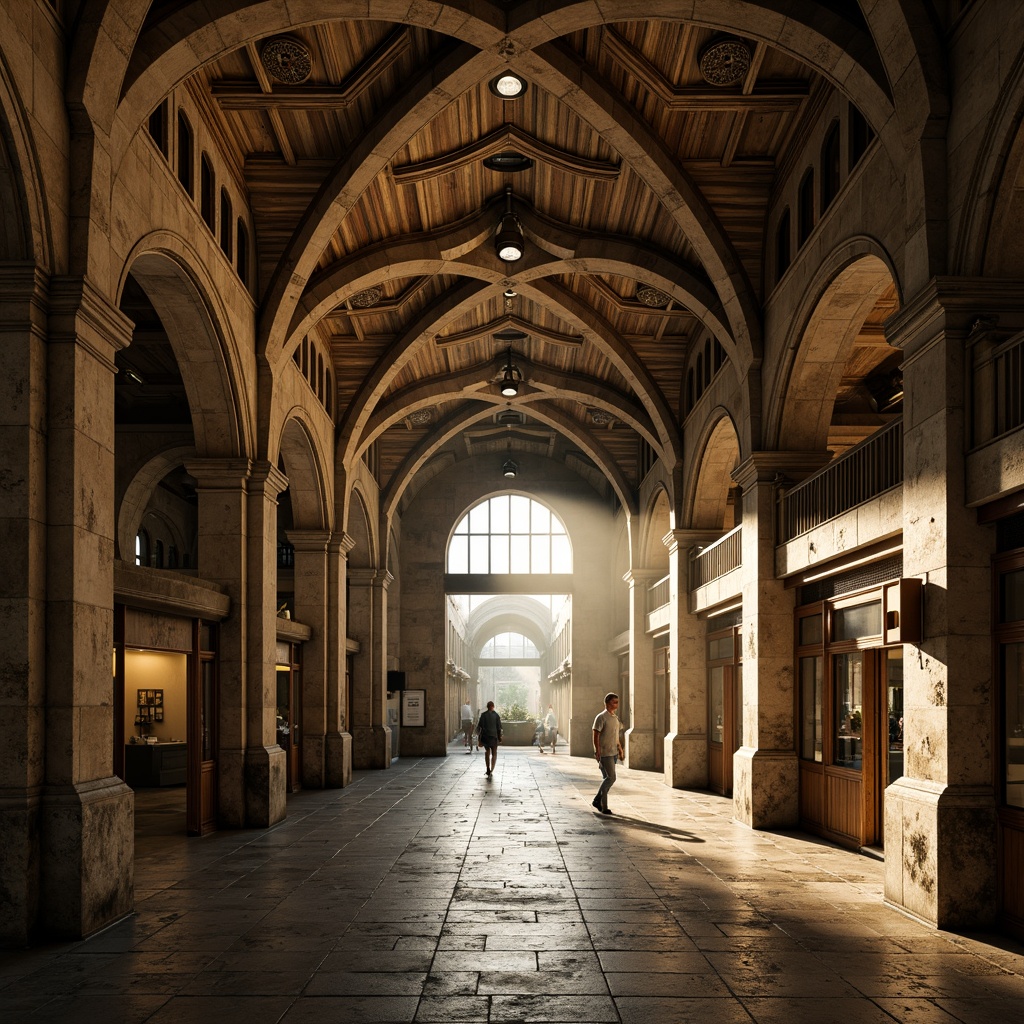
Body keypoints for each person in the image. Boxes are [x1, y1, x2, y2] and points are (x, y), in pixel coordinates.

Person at [592, 692, 624, 814]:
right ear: (606, 703)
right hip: (605, 752)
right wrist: (597, 751)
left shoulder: (615, 718)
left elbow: (616, 736)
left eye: (617, 702)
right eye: (613, 702)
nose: (616, 704)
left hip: (614, 752)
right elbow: (596, 734)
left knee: (606, 779)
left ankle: (603, 806)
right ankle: (597, 800)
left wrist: (620, 749)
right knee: (611, 778)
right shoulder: (601, 717)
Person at [477, 700, 502, 777]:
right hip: (494, 737)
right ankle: (492, 769)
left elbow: (480, 727)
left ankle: (487, 767)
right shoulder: (496, 715)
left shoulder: (483, 715)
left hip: (485, 736)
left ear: (487, 707)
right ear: (493, 706)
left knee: (487, 751)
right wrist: (499, 737)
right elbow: (499, 728)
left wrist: (479, 737)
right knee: (494, 753)